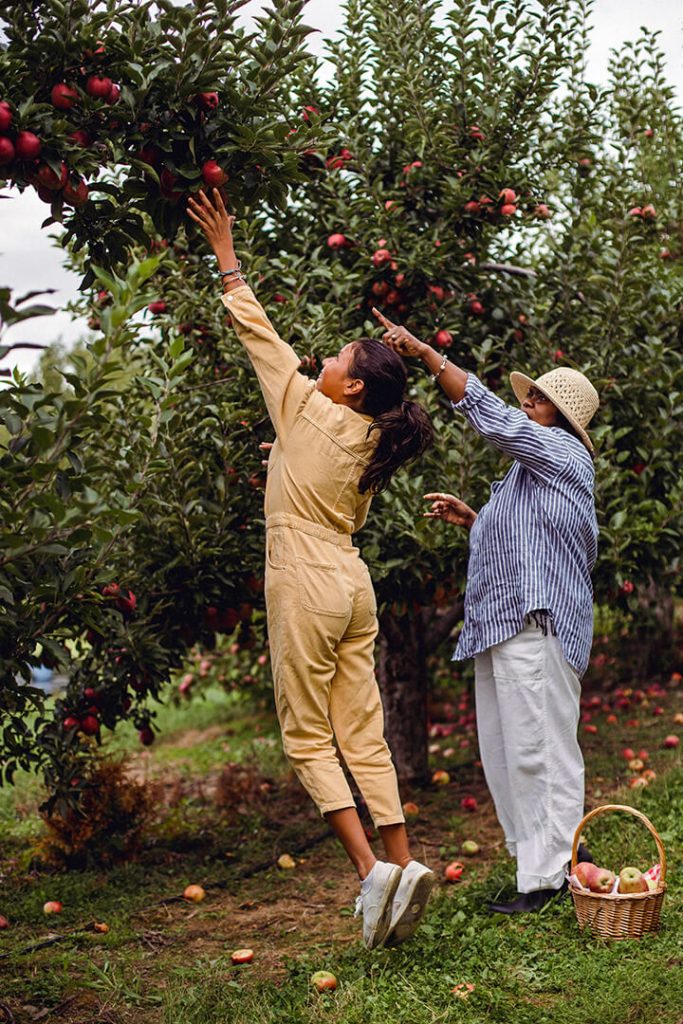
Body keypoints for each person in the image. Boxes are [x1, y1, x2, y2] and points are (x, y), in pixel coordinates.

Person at [187, 188, 436, 948]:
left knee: (305, 737)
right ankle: (403, 863)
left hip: (302, 577)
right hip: (351, 583)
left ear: (352, 384)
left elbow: (259, 335)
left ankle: (368, 876)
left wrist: (227, 257)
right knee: (363, 733)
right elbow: (322, 479)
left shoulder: (302, 405)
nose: (319, 361)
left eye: (335, 360)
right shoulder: (372, 442)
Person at [374, 306, 599, 914]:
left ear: (562, 417)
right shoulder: (527, 477)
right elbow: (527, 544)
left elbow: (496, 422)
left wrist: (426, 354)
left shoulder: (562, 454)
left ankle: (553, 876)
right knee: (505, 751)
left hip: (536, 623)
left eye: (540, 399)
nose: (529, 403)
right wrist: (475, 519)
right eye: (532, 397)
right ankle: (537, 868)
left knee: (540, 749)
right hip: (502, 626)